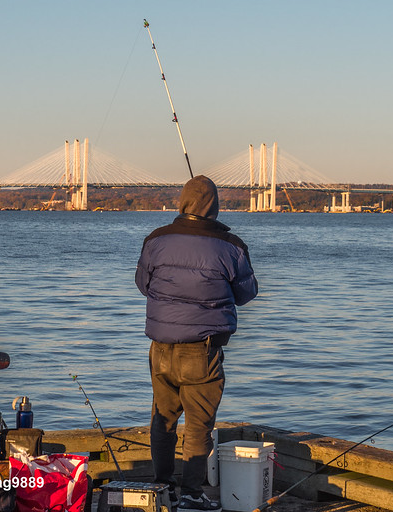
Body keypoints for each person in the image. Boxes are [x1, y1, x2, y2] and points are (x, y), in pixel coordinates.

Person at [135, 175, 258, 512]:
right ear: (214, 207)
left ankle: (161, 486)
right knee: (199, 424)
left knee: (163, 418)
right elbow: (247, 294)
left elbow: (143, 284)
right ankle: (191, 493)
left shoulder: (156, 239)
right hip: (202, 351)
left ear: (183, 203)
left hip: (160, 348)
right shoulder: (231, 246)